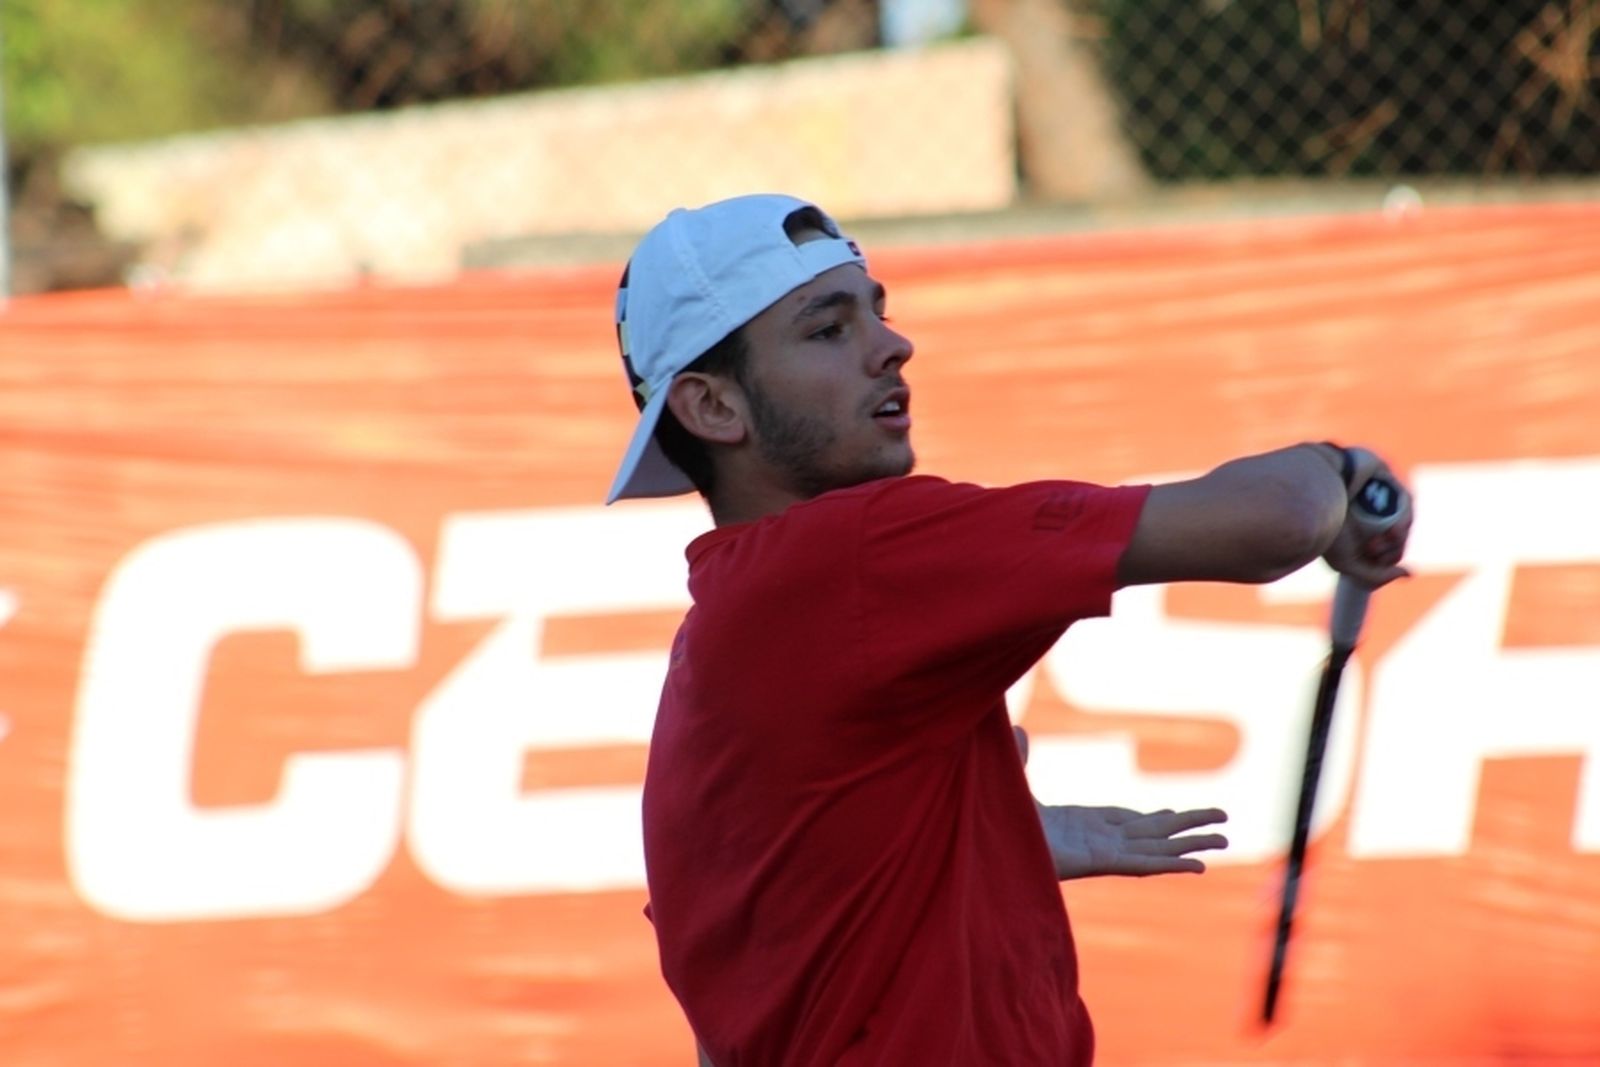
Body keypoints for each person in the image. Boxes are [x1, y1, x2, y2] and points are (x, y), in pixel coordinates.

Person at [605, 194, 1412, 1066]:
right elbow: (1279, 520)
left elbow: (727, 1033)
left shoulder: (717, 644)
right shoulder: (855, 553)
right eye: (827, 330)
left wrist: (975, 849)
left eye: (877, 312)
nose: (892, 345)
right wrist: (1348, 469)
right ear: (713, 407)